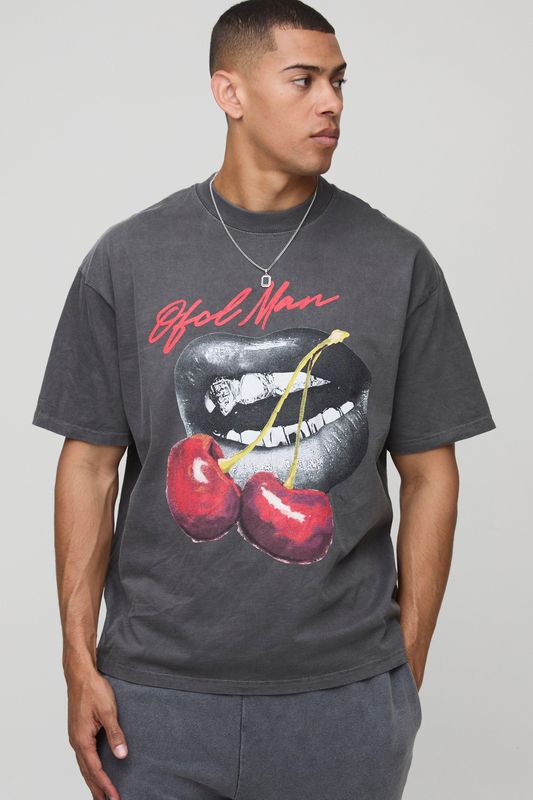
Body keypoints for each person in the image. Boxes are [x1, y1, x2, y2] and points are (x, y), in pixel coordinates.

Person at [32, 1, 497, 798]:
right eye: (303, 80)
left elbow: (430, 473)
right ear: (230, 92)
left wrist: (403, 670)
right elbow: (89, 467)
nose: (331, 103)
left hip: (343, 703)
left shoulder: (396, 263)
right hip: (154, 700)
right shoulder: (129, 259)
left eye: (339, 82)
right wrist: (78, 659)